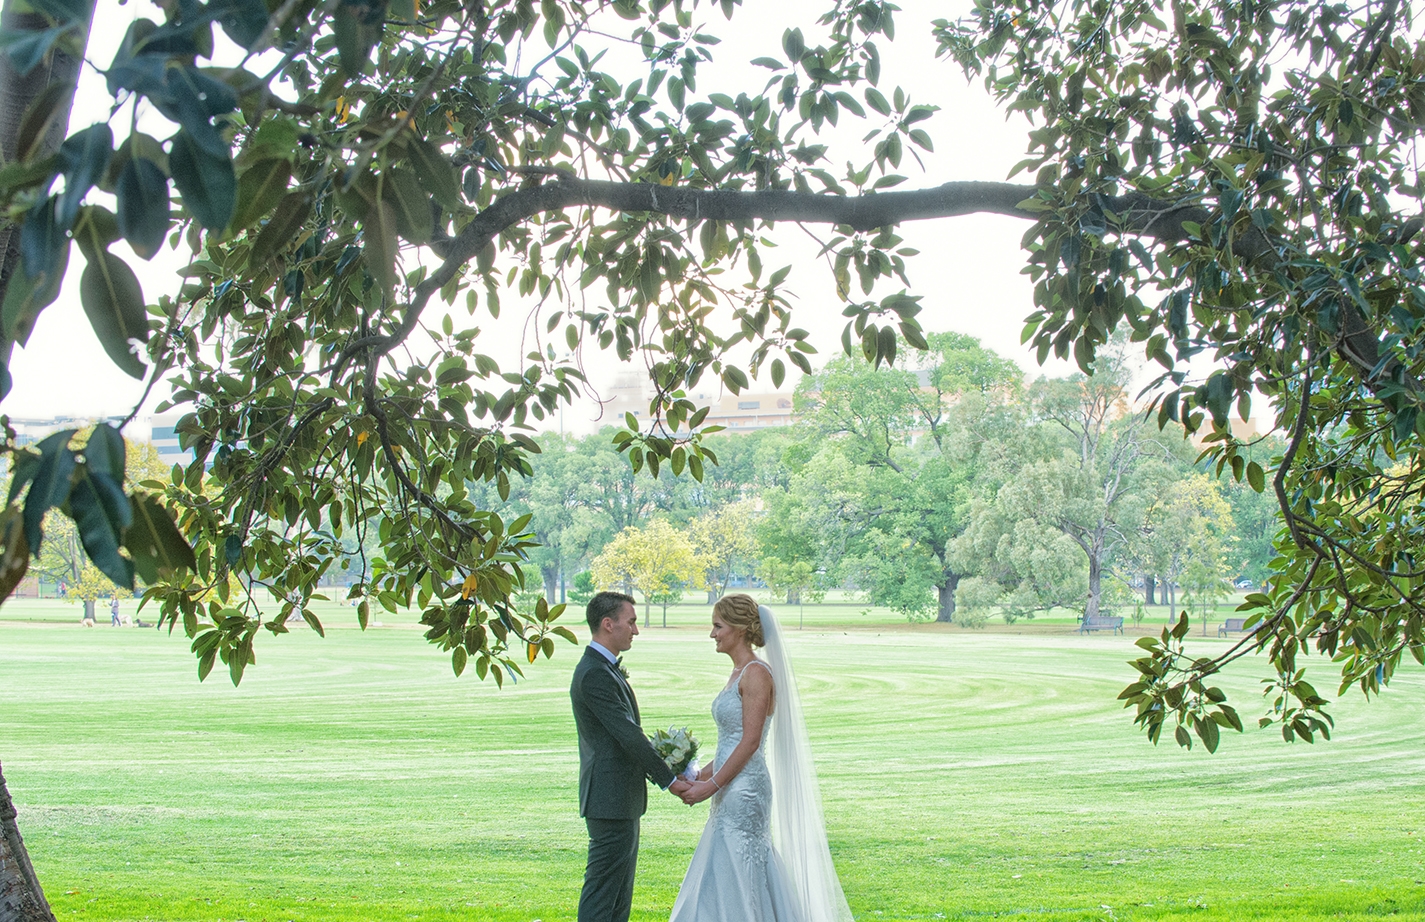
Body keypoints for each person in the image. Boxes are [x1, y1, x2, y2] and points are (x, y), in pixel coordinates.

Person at [670, 593, 853, 922]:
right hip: (729, 786)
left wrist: (710, 786)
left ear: (739, 629)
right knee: (723, 869)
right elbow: (730, 743)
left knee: (742, 868)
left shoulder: (756, 673)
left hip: (745, 791)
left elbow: (750, 741)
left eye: (718, 626)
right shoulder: (738, 672)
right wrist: (697, 776)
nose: (712, 634)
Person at [570, 591, 691, 922]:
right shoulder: (595, 673)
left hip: (619, 799)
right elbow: (627, 734)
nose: (636, 630)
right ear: (608, 624)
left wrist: (668, 767)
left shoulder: (603, 668)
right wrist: (669, 780)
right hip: (608, 800)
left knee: (619, 894)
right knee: (603, 894)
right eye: (631, 622)